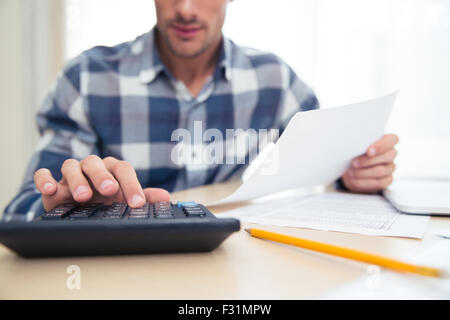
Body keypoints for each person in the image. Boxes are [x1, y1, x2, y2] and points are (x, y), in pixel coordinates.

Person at [4, 0, 398, 221]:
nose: (187, 9)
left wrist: (356, 173)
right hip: (122, 269)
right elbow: (19, 209)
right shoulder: (88, 77)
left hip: (230, 264)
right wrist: (55, 207)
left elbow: (329, 161)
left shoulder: (272, 79)